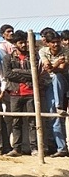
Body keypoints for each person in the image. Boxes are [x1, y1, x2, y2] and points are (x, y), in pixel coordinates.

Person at [39, 28, 68, 157]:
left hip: (63, 84)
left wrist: (53, 66)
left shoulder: (65, 51)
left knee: (56, 77)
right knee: (54, 116)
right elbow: (47, 68)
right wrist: (55, 63)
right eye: (53, 42)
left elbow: (60, 70)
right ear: (48, 43)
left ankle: (58, 104)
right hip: (48, 85)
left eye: (57, 42)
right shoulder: (43, 51)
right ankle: (61, 148)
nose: (56, 45)